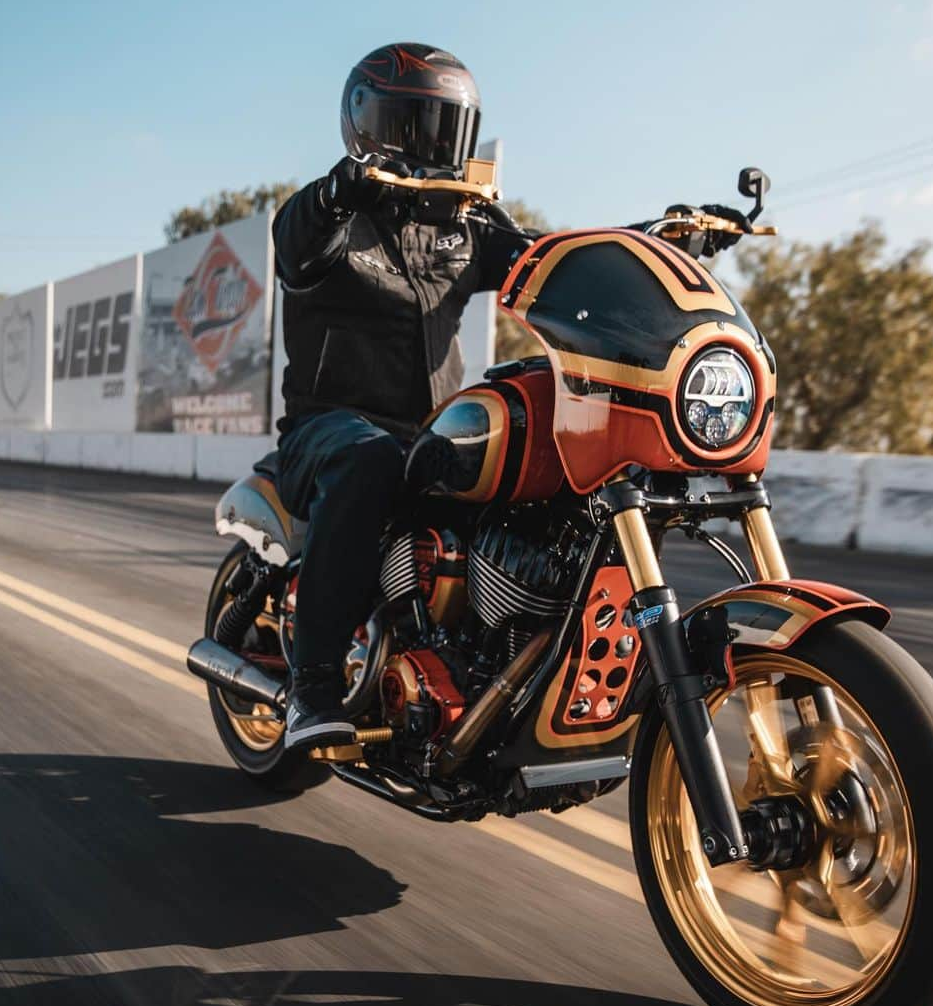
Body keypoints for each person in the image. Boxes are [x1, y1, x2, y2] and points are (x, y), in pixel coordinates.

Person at [271, 42, 751, 752]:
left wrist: (662, 235)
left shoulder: (463, 231)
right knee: (368, 460)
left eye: (444, 128)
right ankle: (311, 686)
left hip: (425, 433)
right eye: (413, 125)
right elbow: (296, 242)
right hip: (329, 431)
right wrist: (350, 184)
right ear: (368, 126)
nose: (430, 145)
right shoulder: (329, 221)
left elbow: (552, 258)